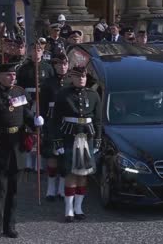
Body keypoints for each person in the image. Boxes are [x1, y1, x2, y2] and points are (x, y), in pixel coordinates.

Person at [0, 59, 44, 240]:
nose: (12, 77)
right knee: (0, 190)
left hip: (17, 146)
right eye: (8, 74)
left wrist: (35, 121)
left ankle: (10, 226)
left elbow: (26, 115)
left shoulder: (19, 92)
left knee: (13, 190)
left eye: (14, 74)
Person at [50, 66, 102, 222]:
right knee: (70, 173)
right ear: (71, 78)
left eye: (84, 77)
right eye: (78, 77)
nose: (81, 79)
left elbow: (98, 121)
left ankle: (79, 208)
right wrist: (57, 141)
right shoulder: (63, 94)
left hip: (87, 137)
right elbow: (55, 120)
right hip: (68, 137)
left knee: (83, 175)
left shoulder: (93, 95)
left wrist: (98, 140)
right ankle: (68, 209)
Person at [16, 43, 54, 172]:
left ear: (43, 52)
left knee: (40, 131)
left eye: (39, 50)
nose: (36, 52)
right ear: (29, 52)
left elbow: (50, 86)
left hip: (42, 100)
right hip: (28, 100)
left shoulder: (48, 67)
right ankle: (28, 160)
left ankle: (39, 161)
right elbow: (19, 87)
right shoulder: (23, 68)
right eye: (34, 50)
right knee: (28, 129)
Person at [40, 53, 72, 201]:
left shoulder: (72, 81)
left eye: (65, 64)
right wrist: (40, 119)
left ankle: (62, 187)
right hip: (52, 120)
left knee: (65, 156)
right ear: (55, 65)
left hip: (67, 121)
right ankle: (51, 187)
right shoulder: (47, 83)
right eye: (59, 64)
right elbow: (43, 104)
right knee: (52, 155)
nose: (62, 67)